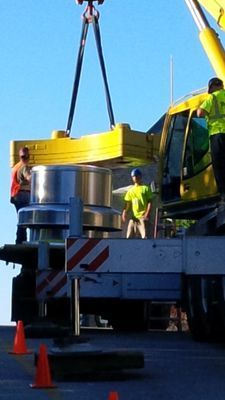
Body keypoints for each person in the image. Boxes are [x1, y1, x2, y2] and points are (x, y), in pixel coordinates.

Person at [197, 77, 225, 202]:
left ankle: (223, 195)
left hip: (217, 134)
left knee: (219, 166)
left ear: (213, 86)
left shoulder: (212, 98)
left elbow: (200, 113)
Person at [122, 168, 153, 238]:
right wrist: (124, 212)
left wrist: (146, 214)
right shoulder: (130, 190)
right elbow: (128, 203)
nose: (135, 177)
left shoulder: (145, 188)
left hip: (142, 216)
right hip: (134, 218)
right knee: (128, 237)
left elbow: (150, 202)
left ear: (140, 176)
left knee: (145, 237)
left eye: (137, 176)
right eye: (133, 176)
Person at [10, 146, 31, 244]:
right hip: (23, 194)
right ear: (28, 156)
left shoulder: (16, 166)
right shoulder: (24, 166)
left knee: (21, 218)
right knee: (24, 219)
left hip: (15, 195)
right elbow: (29, 178)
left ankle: (21, 240)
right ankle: (21, 240)